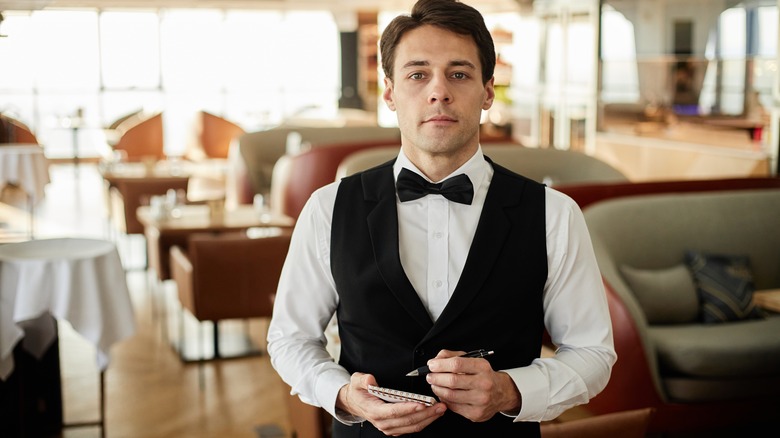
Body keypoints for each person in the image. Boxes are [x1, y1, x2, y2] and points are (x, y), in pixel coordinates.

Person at [267, 0, 616, 436]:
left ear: (488, 90)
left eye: (459, 73)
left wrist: (511, 390)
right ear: (390, 92)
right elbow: (290, 339)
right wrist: (340, 393)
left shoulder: (553, 213)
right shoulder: (327, 208)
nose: (439, 92)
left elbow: (592, 353)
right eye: (417, 74)